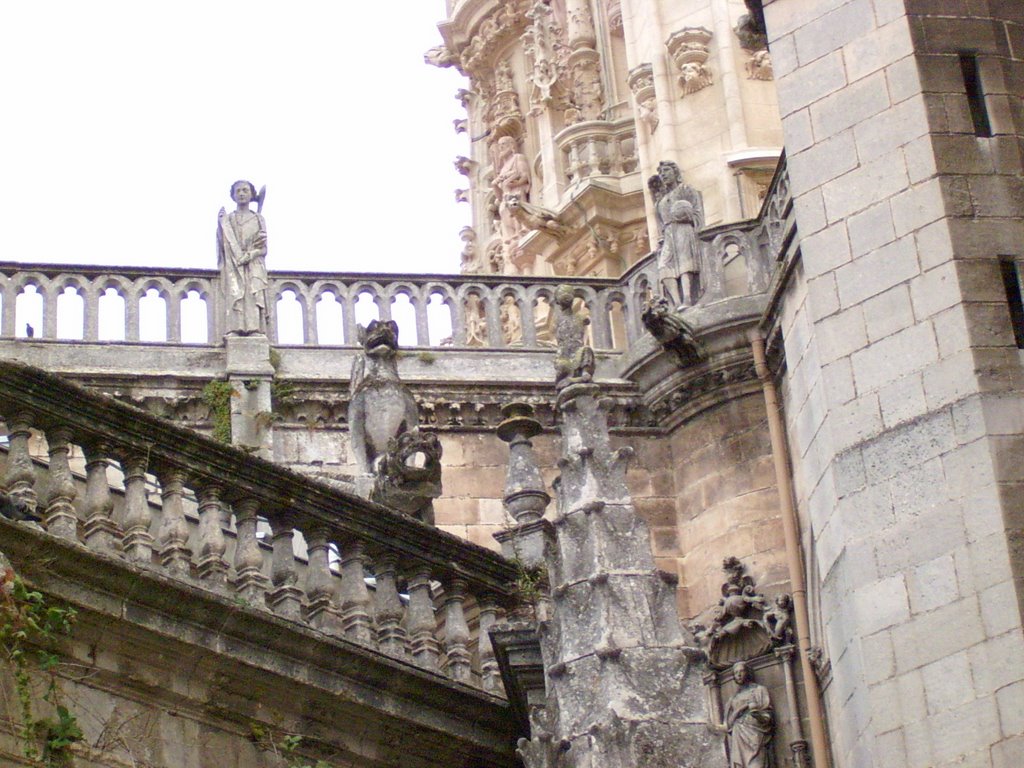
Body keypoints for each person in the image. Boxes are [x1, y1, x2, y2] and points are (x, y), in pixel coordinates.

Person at [218, 180, 268, 335]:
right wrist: (221, 225)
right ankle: (236, 327)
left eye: (245, 190)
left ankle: (255, 328)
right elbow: (223, 244)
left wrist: (251, 254)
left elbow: (264, 248)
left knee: (253, 294)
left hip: (254, 264)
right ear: (233, 196)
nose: (241, 194)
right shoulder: (230, 219)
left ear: (252, 194)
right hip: (234, 263)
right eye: (238, 191)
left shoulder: (258, 218)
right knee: (236, 294)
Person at [653, 161, 704, 308]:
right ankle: (676, 302)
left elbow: (697, 212)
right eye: (661, 173)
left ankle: (687, 298)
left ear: (675, 173)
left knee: (684, 262)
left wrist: (687, 216)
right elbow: (660, 225)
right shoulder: (659, 202)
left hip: (684, 229)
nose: (663, 175)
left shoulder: (686, 190)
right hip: (669, 233)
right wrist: (661, 240)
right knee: (664, 266)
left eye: (667, 170)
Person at [721, 662, 773, 768]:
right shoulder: (733, 698)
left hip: (755, 735)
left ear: (748, 672)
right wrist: (742, 708)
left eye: (741, 671)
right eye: (736, 673)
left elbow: (768, 717)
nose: (739, 675)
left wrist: (757, 715)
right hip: (738, 736)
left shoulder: (759, 690)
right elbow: (728, 725)